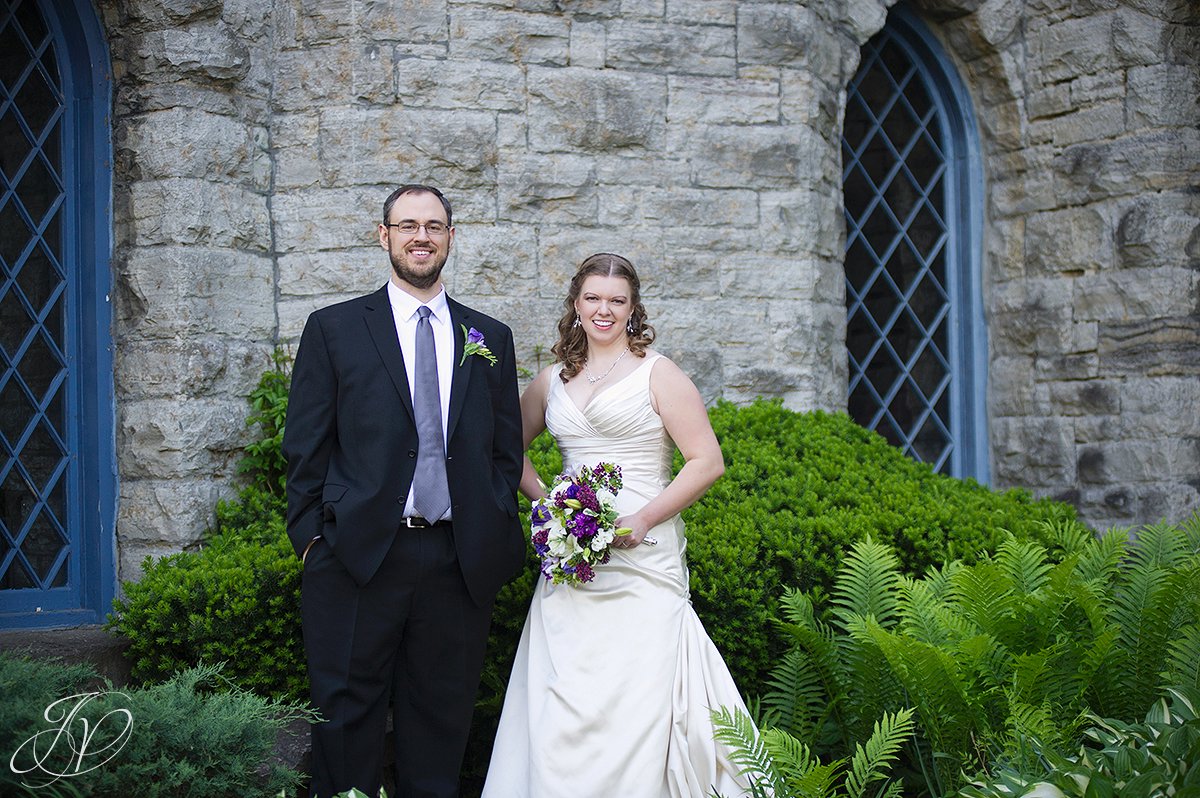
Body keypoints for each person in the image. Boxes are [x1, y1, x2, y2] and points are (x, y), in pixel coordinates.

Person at [282, 184, 526, 798]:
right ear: (383, 235)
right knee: (343, 722)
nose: (422, 236)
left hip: (456, 561)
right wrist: (313, 539)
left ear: (450, 237)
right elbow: (305, 446)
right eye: (408, 225)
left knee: (440, 726)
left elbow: (503, 452)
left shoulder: (488, 338)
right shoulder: (334, 329)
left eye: (435, 226)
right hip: (357, 555)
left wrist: (491, 525)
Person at [482, 253, 753, 797]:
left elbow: (707, 461)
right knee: (566, 695)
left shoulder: (659, 373)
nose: (603, 310)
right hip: (573, 560)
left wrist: (643, 518)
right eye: (593, 298)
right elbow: (503, 447)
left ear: (633, 309)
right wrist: (553, 504)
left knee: (638, 693)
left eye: (617, 301)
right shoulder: (550, 381)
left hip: (644, 556)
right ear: (576, 305)